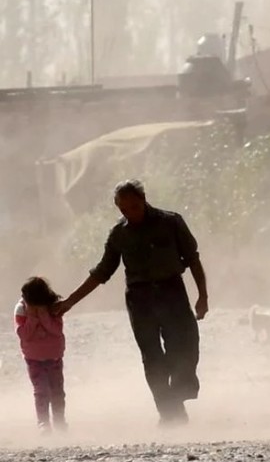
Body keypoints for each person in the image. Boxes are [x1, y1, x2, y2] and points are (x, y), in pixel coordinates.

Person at [52, 179, 209, 427]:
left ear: (144, 200)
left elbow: (192, 259)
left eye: (134, 206)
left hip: (172, 293)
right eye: (124, 210)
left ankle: (177, 396)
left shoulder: (171, 222)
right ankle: (169, 414)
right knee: (152, 357)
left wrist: (203, 295)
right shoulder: (119, 234)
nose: (130, 213)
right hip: (140, 299)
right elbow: (102, 271)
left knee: (186, 346)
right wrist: (71, 300)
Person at [15, 277, 67, 435]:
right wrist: (32, 317)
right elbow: (24, 334)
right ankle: (43, 423)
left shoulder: (53, 307)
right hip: (34, 359)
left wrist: (44, 315)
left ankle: (59, 421)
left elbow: (56, 330)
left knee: (57, 391)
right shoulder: (22, 309)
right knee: (41, 391)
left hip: (54, 357)